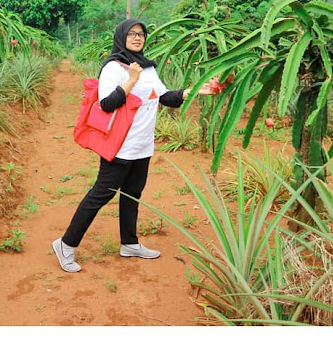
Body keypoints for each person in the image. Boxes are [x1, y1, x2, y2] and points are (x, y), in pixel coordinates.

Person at [52, 18, 213, 273]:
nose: (138, 38)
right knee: (100, 194)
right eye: (132, 34)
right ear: (122, 37)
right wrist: (130, 79)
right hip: (119, 146)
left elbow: (164, 97)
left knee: (132, 195)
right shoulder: (114, 67)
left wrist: (193, 91)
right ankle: (65, 244)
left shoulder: (148, 68)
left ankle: (129, 243)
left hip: (143, 145)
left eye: (141, 34)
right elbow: (106, 103)